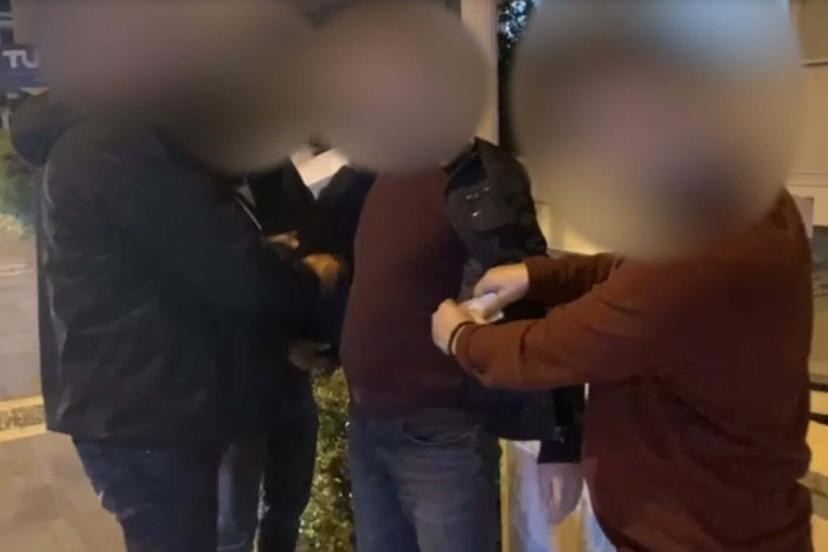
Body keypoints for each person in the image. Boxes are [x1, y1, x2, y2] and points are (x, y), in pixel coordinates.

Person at [11, 93, 338, 552]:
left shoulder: (99, 140)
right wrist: (309, 275)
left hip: (135, 405)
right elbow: (232, 266)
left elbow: (181, 256)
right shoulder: (120, 146)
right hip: (147, 409)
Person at [432, 193, 813, 552]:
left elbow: (555, 347)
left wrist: (463, 338)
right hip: (724, 525)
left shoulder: (702, 245)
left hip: (708, 537)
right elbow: (637, 275)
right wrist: (540, 276)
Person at [319, 138, 585, 552]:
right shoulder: (379, 170)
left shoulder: (479, 173)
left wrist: (562, 441)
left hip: (441, 435)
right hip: (369, 426)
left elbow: (535, 292)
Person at [217, 162, 328, 552]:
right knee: (233, 524)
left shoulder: (275, 173)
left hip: (290, 376)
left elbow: (314, 241)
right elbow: (215, 287)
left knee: (288, 506)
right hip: (234, 388)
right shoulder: (194, 183)